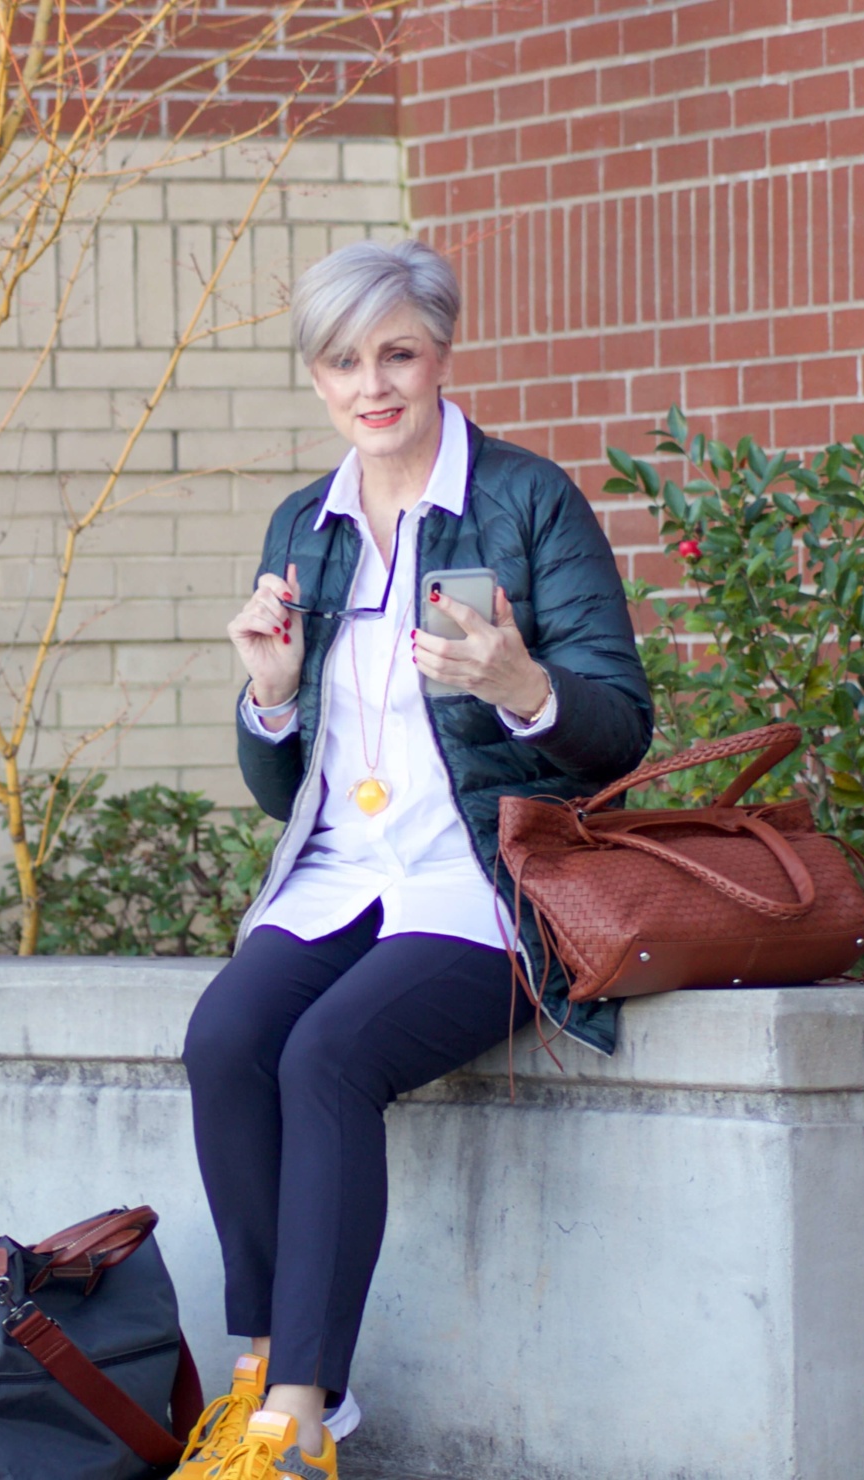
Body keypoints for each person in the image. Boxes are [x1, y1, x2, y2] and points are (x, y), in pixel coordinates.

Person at [175, 239, 652, 1480]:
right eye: (344, 360)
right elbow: (285, 788)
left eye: (396, 351)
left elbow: (620, 728)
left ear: (440, 352)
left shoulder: (526, 501)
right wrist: (269, 701)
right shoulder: (306, 523)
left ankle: (298, 1411)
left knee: (331, 1054)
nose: (372, 383)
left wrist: (524, 684)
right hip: (340, 870)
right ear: (318, 378)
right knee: (227, 1040)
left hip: (479, 880)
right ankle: (267, 1364)